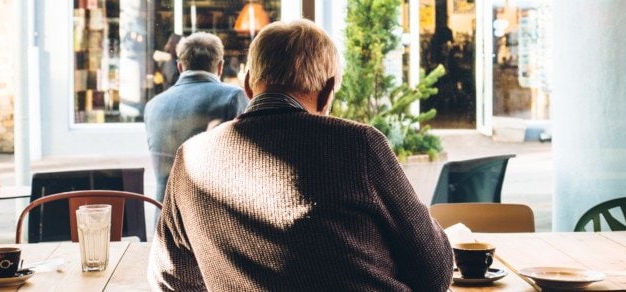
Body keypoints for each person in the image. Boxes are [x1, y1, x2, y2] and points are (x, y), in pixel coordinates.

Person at [148, 19, 453, 291]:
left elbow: (170, 279)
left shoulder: (191, 159)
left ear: (248, 85)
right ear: (328, 91)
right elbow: (435, 274)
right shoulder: (358, 145)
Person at [143, 32, 248, 202]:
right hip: (209, 217)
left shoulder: (153, 105)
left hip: (163, 217)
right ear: (220, 67)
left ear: (179, 67)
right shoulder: (233, 97)